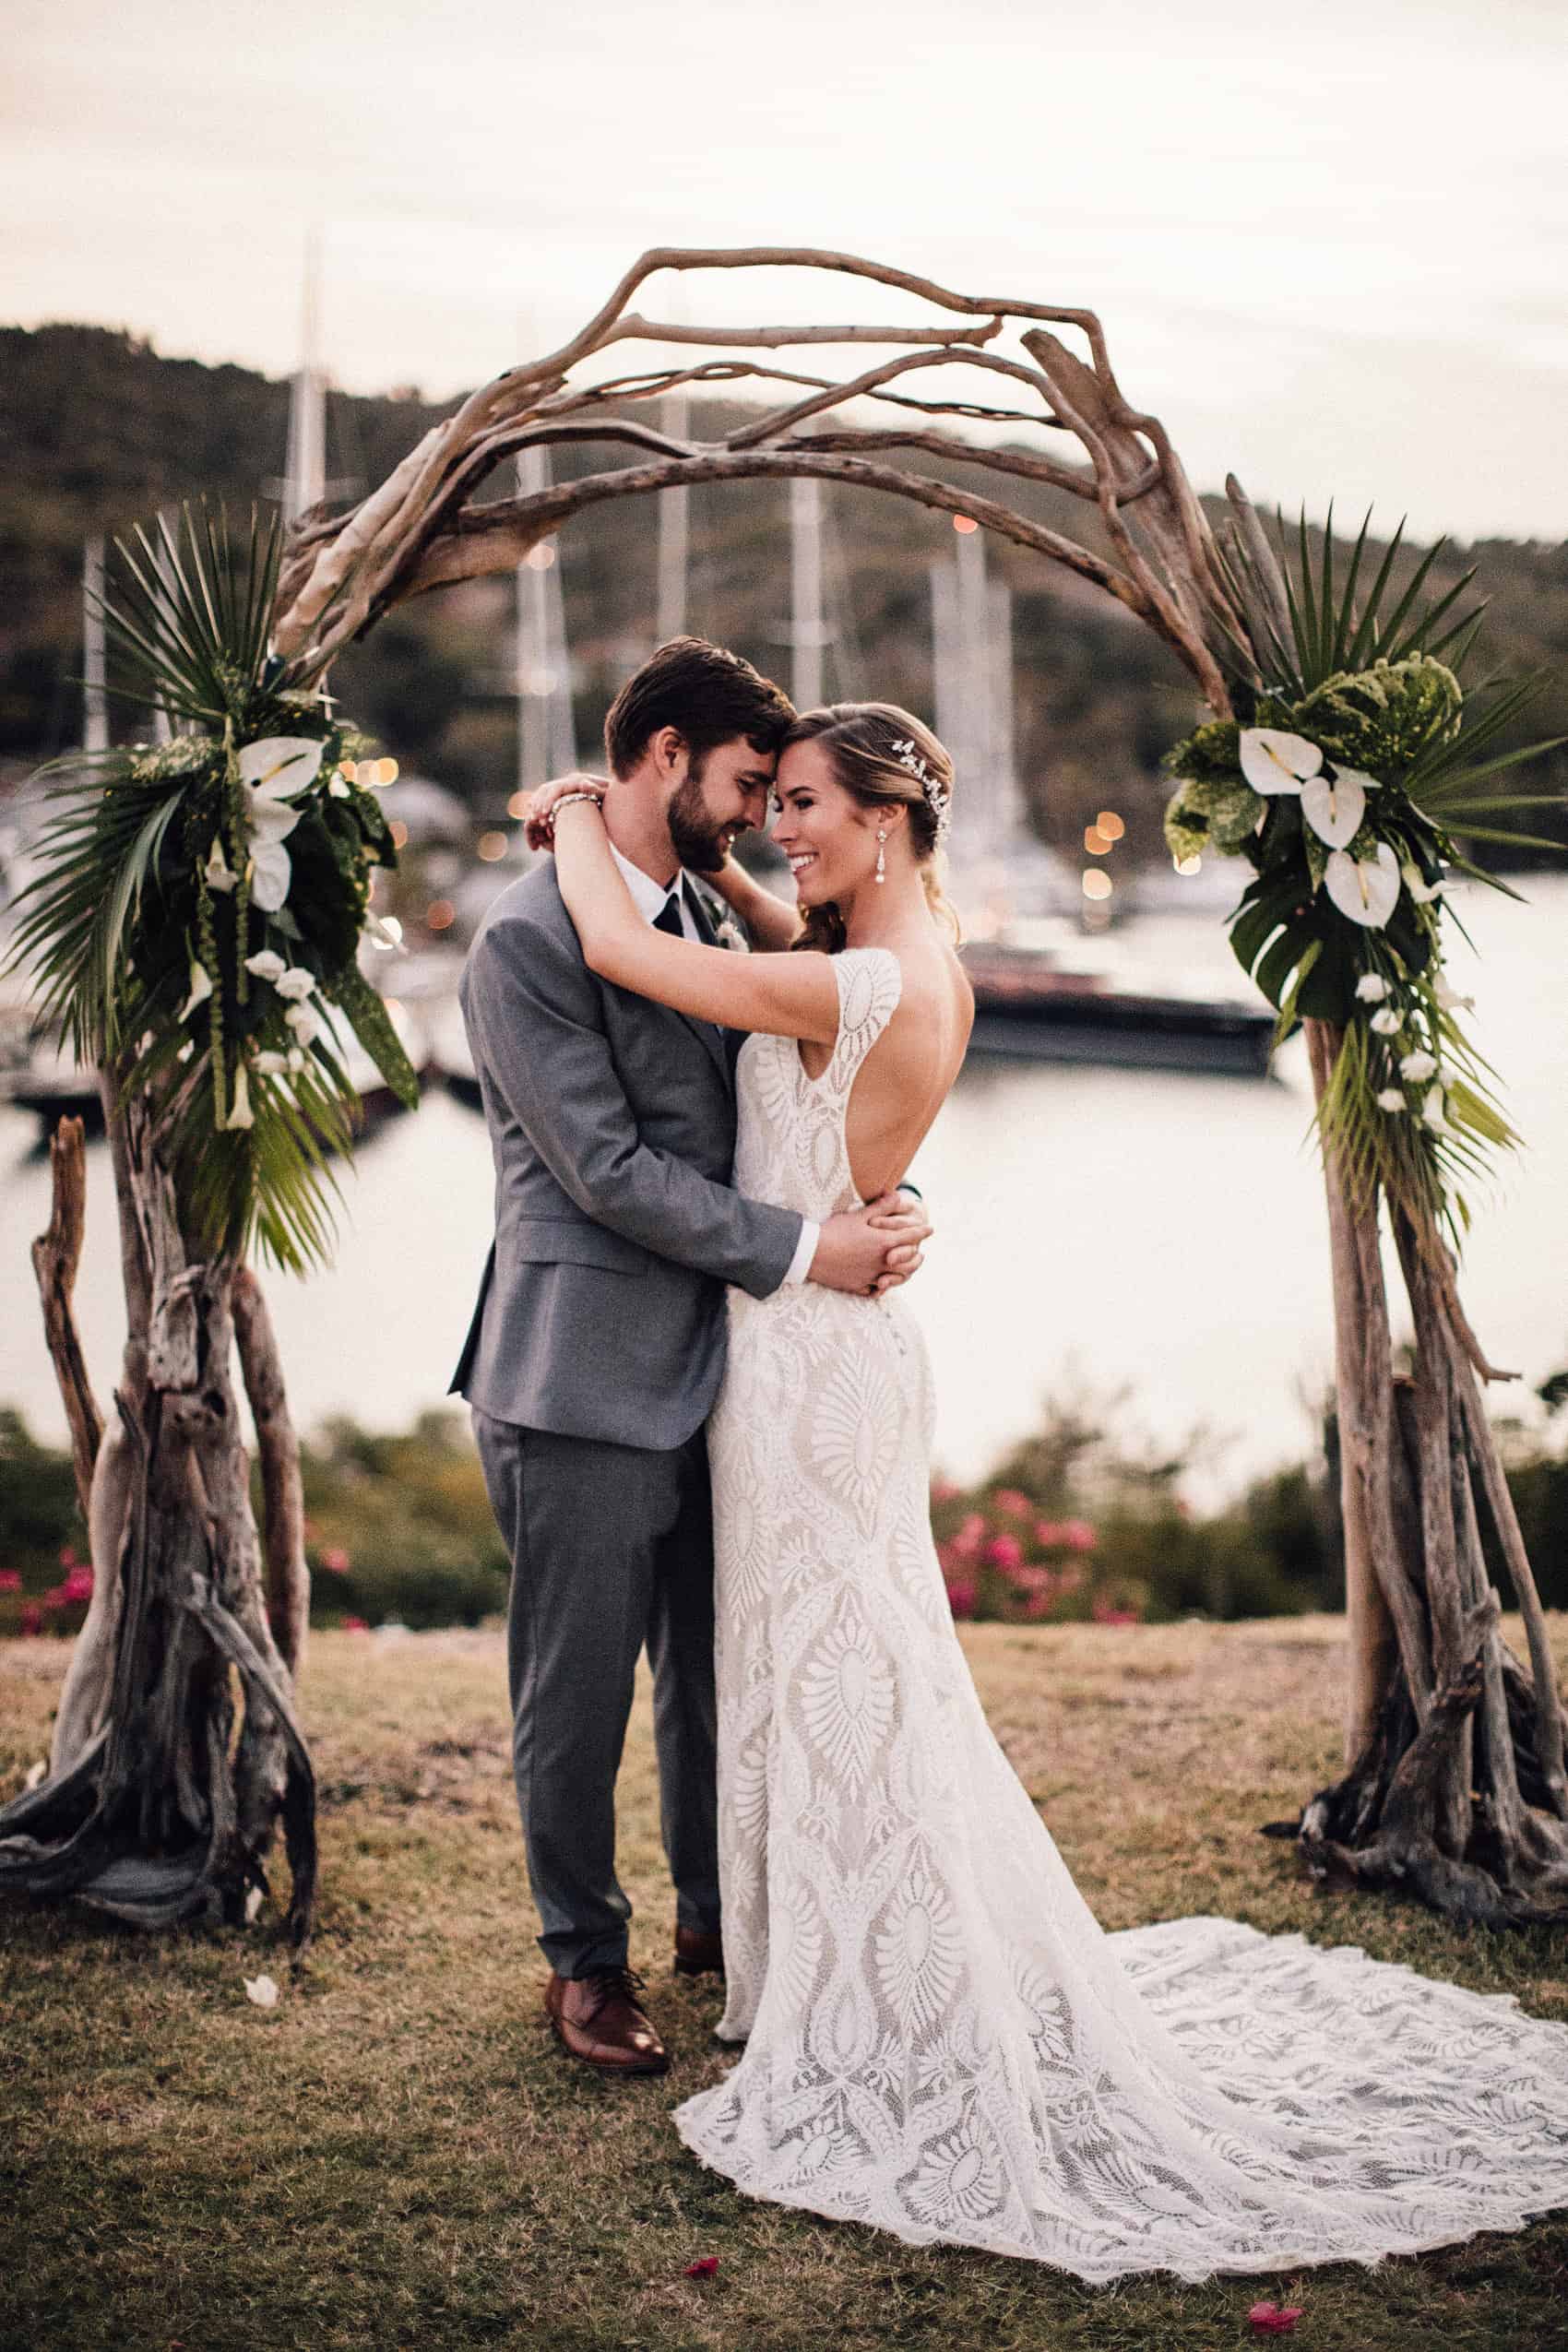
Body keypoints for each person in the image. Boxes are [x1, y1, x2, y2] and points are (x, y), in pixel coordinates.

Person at [535, 698, 1568, 2282]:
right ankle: (831, 1955)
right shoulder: (900, 958)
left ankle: (866, 1980)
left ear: (884, 819)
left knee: (838, 1671)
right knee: (843, 1666)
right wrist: (744, 880)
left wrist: (582, 819)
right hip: (823, 1357)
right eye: (773, 805)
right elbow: (787, 974)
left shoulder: (849, 975)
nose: (775, 833)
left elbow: (628, 955)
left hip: (809, 1369)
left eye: (805, 806)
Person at [450, 639, 932, 2081]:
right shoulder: (528, 942)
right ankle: (582, 1965)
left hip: (730, 1374)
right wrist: (809, 1251)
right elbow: (604, 1169)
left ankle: (718, 1919)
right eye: (740, 786)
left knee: (713, 1676)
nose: (758, 821)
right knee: (577, 1693)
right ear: (663, 754)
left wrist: (884, 1203)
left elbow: (797, 1101)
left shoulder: (705, 929)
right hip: (579, 1374)